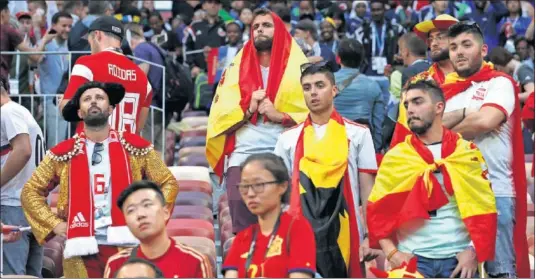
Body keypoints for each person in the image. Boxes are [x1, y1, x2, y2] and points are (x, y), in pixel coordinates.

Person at [22, 82, 179, 278]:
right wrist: (54, 224)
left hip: (128, 243)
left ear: (111, 109)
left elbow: (168, 183)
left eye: (99, 98)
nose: (94, 102)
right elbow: (30, 191)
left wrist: (153, 217)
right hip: (80, 249)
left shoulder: (135, 147)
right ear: (80, 112)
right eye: (87, 99)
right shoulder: (63, 153)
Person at [367, 80, 497, 278]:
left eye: (417, 102)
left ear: (439, 107)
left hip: (459, 260)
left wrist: (472, 251)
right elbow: (378, 212)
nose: (410, 109)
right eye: (407, 104)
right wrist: (392, 254)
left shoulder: (466, 152)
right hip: (412, 259)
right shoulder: (397, 157)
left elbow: (485, 207)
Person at [206, 8, 309, 234]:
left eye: (266, 25)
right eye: (256, 27)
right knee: (242, 227)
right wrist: (248, 108)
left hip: (285, 148)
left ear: (280, 30)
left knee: (282, 228)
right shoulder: (237, 65)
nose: (260, 30)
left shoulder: (299, 65)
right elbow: (220, 117)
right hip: (244, 148)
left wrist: (280, 116)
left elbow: (313, 115)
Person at [440, 22, 529, 278]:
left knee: (500, 273)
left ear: (483, 49)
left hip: (494, 192)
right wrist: (468, 113)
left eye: (467, 45)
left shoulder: (499, 83)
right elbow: (426, 130)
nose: (459, 52)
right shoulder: (446, 91)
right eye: (454, 47)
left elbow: (485, 121)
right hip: (452, 197)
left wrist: (444, 130)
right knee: (455, 274)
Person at [274, 62, 379, 277]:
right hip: (299, 227)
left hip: (346, 226)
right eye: (307, 87)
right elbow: (278, 194)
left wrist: (370, 234)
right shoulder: (287, 139)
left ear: (334, 90)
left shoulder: (358, 134)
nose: (313, 92)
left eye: (320, 85)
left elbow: (368, 189)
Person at [222, 153, 316, 278]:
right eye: (244, 186)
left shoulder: (297, 228)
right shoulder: (243, 237)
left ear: (282, 186)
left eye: (259, 185)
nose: (250, 193)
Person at [58, 16, 153, 136]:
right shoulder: (143, 78)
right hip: (126, 150)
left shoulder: (86, 64)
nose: (90, 45)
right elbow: (139, 126)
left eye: (90, 40)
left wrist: (63, 102)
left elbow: (66, 110)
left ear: (97, 35)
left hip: (93, 149)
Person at [104, 181, 213, 278]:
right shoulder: (116, 264)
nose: (140, 215)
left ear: (166, 212)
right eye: (131, 210)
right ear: (126, 223)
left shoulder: (194, 261)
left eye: (147, 205)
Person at [390, 14, 459, 148]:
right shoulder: (417, 82)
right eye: (431, 39)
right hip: (424, 158)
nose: (433, 43)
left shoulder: (480, 77)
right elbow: (405, 128)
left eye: (440, 37)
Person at [0, 76, 44, 276]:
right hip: (31, 204)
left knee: (13, 276)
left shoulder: (7, 112)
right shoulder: (22, 111)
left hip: (13, 204)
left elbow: (24, 150)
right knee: (31, 274)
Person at [333, 39, 385, 152]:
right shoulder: (373, 86)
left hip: (331, 144)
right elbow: (378, 126)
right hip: (362, 148)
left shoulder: (324, 82)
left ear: (338, 58)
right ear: (362, 61)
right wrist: (374, 151)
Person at [38, 11, 73, 148]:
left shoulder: (69, 45)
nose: (67, 29)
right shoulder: (46, 46)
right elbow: (32, 61)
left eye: (70, 26)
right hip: (51, 102)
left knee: (65, 143)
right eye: (64, 25)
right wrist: (44, 40)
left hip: (67, 101)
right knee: (55, 145)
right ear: (53, 25)